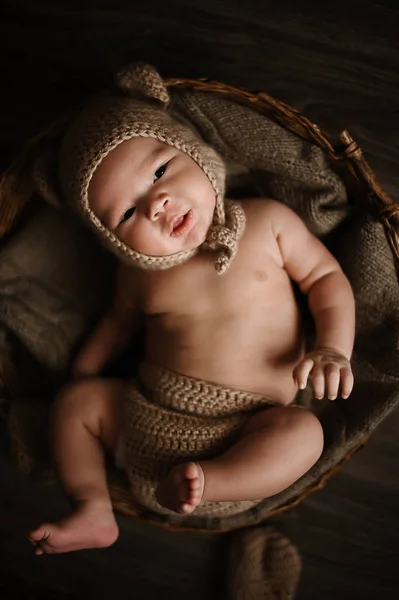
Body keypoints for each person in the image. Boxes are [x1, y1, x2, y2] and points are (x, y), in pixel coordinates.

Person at [28, 64, 355, 555]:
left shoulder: (267, 222)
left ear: (197, 156)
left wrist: (333, 347)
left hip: (250, 430)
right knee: (75, 407)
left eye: (159, 171)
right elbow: (117, 326)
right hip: (146, 420)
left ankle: (214, 480)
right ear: (116, 242)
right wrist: (84, 372)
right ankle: (94, 507)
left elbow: (326, 280)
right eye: (128, 213)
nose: (157, 203)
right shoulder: (138, 276)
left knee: (303, 434)